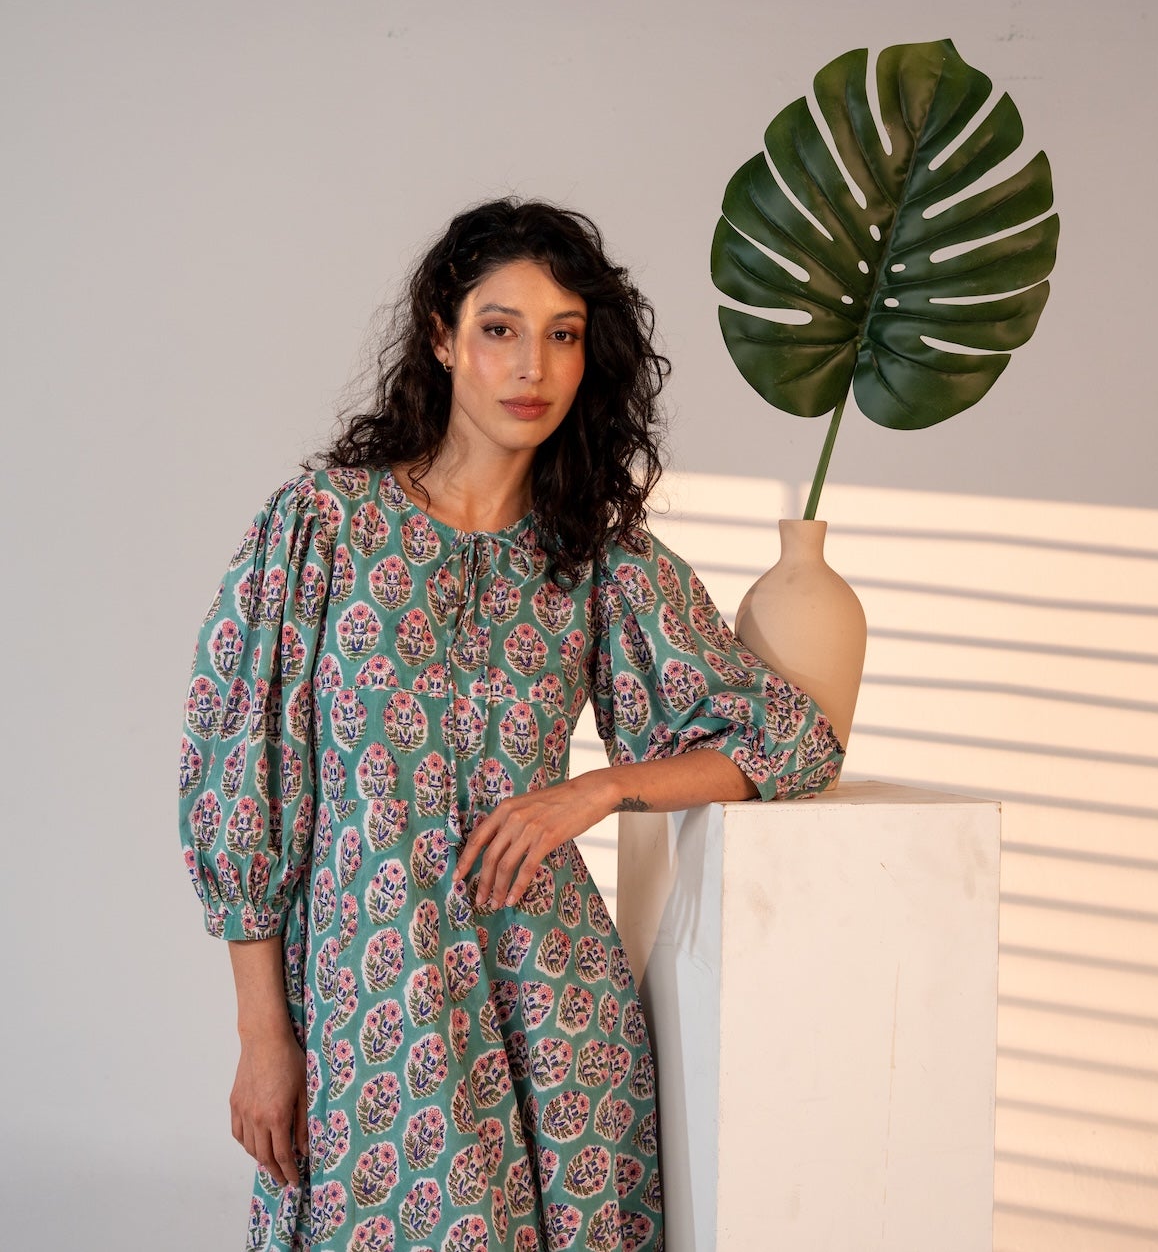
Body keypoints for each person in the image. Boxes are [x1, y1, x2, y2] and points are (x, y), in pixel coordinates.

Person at [176, 196, 847, 1252]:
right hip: (371, 1017)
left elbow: (791, 740)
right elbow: (240, 784)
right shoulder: (322, 528)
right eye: (500, 328)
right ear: (442, 339)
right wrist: (264, 1034)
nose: (532, 365)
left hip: (557, 1024)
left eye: (563, 335)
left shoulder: (598, 560)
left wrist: (598, 788)